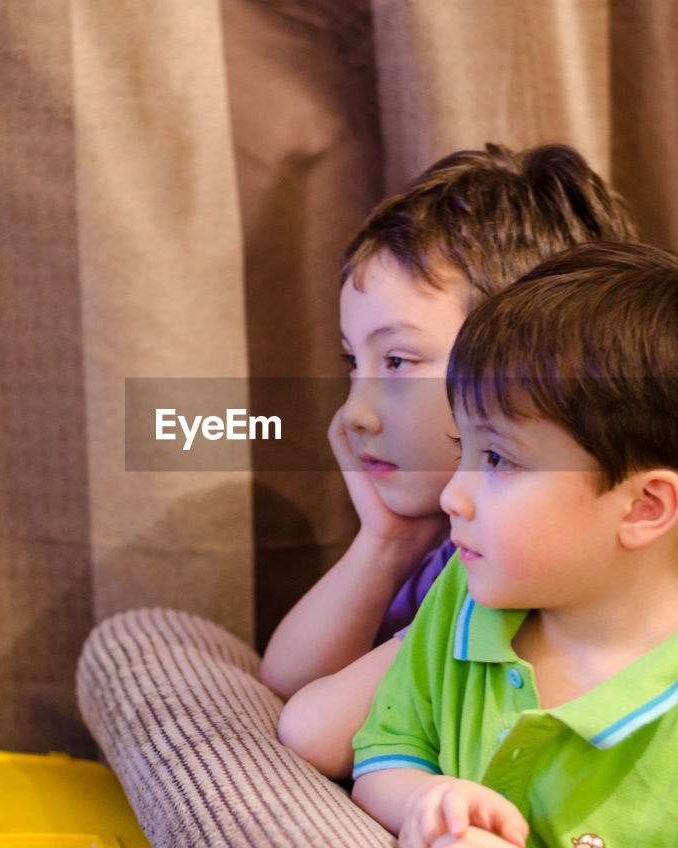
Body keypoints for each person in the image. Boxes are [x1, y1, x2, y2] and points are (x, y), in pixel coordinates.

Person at [350, 242, 678, 848]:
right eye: (460, 448)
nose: (453, 495)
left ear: (645, 508)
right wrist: (429, 801)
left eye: (496, 458)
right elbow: (386, 750)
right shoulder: (462, 602)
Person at [259, 143, 637, 777]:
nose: (355, 411)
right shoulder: (436, 540)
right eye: (354, 362)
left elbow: (315, 730)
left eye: (398, 361)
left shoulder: (529, 570)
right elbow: (284, 684)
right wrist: (386, 543)